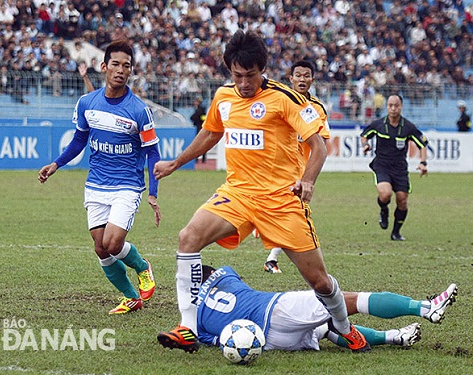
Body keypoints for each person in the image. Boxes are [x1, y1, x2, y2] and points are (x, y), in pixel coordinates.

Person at [154, 30, 370, 354]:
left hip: (282, 200)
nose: (243, 83)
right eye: (237, 75)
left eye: (250, 76)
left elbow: (319, 147)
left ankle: (344, 327)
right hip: (238, 194)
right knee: (188, 237)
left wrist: (307, 181)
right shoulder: (224, 97)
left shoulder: (286, 98)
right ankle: (188, 327)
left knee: (320, 282)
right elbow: (210, 133)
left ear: (263, 69)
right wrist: (176, 163)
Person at [38, 40, 160, 315]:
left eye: (126, 66)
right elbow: (80, 139)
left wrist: (153, 192)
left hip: (127, 186)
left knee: (113, 243)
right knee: (100, 249)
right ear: (104, 66)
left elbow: (152, 153)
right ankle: (132, 298)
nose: (120, 70)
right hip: (95, 184)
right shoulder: (87, 103)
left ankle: (143, 267)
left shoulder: (139, 110)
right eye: (115, 64)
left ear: (131, 71)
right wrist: (56, 164)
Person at [198, 265, 458, 351]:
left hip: (270, 342)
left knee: (324, 329)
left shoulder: (194, 321)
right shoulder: (225, 273)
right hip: (273, 309)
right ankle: (425, 308)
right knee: (348, 301)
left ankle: (395, 337)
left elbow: (214, 341)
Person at [263, 60, 330, 274]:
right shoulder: (278, 102)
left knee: (293, 214)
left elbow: (322, 143)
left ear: (312, 79)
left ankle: (271, 256)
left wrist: (309, 174)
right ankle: (270, 250)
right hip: (277, 169)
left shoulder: (317, 109)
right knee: (292, 216)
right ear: (290, 78)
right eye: (298, 76)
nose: (302, 80)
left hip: (299, 173)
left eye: (306, 76)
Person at [361, 94, 428, 241]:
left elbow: (422, 144)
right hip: (382, 165)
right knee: (385, 194)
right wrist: (365, 145)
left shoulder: (408, 127)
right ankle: (383, 210)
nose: (393, 108)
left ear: (401, 107)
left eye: (396, 105)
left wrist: (423, 163)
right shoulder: (378, 124)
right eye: (390, 105)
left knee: (402, 200)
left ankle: (396, 232)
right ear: (387, 107)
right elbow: (364, 135)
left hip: (400, 169)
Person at [189, 96, 207, 163]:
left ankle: (203, 158)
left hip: (200, 127)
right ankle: (197, 158)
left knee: (201, 143)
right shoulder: (197, 109)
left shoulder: (201, 109)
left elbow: (202, 118)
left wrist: (195, 118)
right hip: (197, 126)